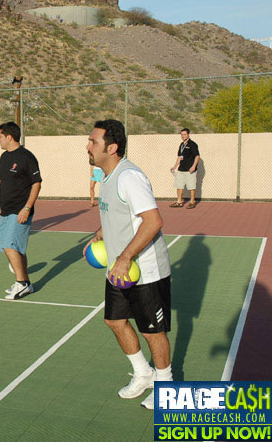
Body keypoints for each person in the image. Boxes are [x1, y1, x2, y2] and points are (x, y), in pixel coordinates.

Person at [83, 119, 172, 410]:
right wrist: (102, 233)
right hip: (119, 269)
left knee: (152, 332)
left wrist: (124, 257)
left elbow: (153, 221)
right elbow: (120, 213)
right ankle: (143, 373)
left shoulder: (129, 177)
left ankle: (165, 387)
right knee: (115, 321)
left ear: (112, 147)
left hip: (144, 269)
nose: (88, 146)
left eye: (93, 141)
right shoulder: (107, 176)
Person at [0, 122, 42, 300]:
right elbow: (1, 181)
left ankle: (21, 283)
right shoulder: (4, 157)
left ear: (9, 137)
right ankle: (26, 284)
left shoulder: (27, 157)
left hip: (20, 209)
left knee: (10, 246)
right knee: (17, 248)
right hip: (6, 210)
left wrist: (27, 208)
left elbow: (36, 183)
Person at [169, 128, 200, 209]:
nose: (183, 136)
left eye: (184, 134)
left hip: (190, 170)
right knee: (179, 186)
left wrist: (193, 166)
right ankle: (179, 202)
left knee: (191, 186)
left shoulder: (193, 144)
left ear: (188, 135)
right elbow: (179, 157)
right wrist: (175, 166)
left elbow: (197, 156)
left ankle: (192, 202)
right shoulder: (181, 145)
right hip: (181, 169)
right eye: (182, 134)